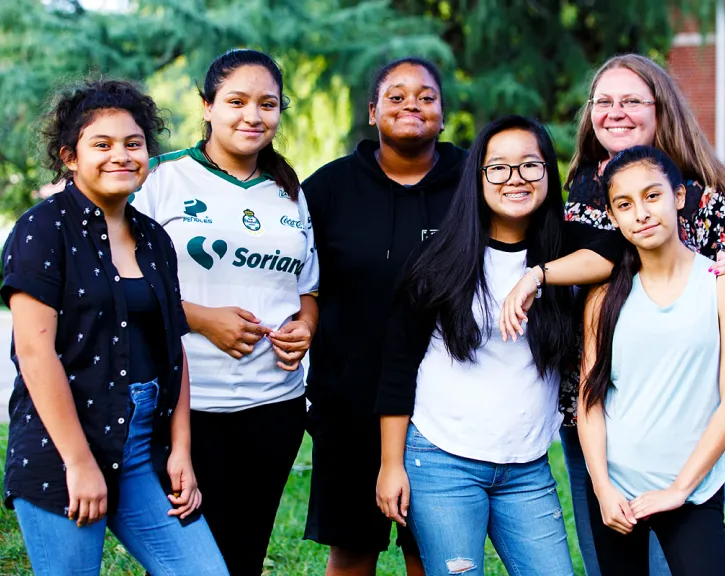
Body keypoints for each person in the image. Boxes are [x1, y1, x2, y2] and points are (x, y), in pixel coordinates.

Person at [499, 53, 725, 576]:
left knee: (677, 548)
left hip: (687, 410)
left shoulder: (698, 194)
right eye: (604, 102)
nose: (615, 112)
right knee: (611, 545)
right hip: (594, 409)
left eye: (631, 101)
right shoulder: (575, 193)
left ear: (660, 109)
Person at [374, 115, 630, 575]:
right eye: (499, 168)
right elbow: (397, 367)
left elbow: (619, 252)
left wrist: (538, 275)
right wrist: (391, 465)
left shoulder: (564, 249)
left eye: (531, 166)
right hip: (441, 461)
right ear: (478, 178)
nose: (516, 179)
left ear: (549, 176)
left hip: (526, 469)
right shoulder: (441, 258)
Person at [0, 79, 228, 575]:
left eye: (133, 144)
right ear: (69, 157)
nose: (120, 156)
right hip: (62, 446)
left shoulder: (154, 238)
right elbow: (35, 356)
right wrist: (79, 464)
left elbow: (174, 347)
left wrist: (181, 451)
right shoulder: (42, 230)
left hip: (143, 445)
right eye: (100, 145)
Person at [130, 49, 319, 575]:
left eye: (268, 104)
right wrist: (198, 317)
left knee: (244, 556)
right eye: (236, 101)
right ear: (207, 106)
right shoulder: (159, 179)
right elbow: (119, 286)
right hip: (185, 408)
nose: (252, 116)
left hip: (275, 407)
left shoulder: (289, 192)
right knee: (183, 560)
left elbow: (307, 289)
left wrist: (305, 328)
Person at [301, 57, 465, 576]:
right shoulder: (327, 190)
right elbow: (293, 281)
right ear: (372, 113)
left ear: (442, 114)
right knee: (351, 552)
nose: (411, 104)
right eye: (395, 96)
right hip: (350, 401)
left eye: (426, 96)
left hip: (448, 408)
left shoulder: (474, 186)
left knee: (434, 554)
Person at [578, 145, 725, 575]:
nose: (641, 212)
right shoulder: (603, 299)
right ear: (614, 218)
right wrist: (602, 488)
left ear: (677, 197)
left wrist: (679, 490)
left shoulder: (724, 286)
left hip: (692, 490)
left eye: (652, 196)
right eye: (625, 204)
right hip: (616, 492)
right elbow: (590, 402)